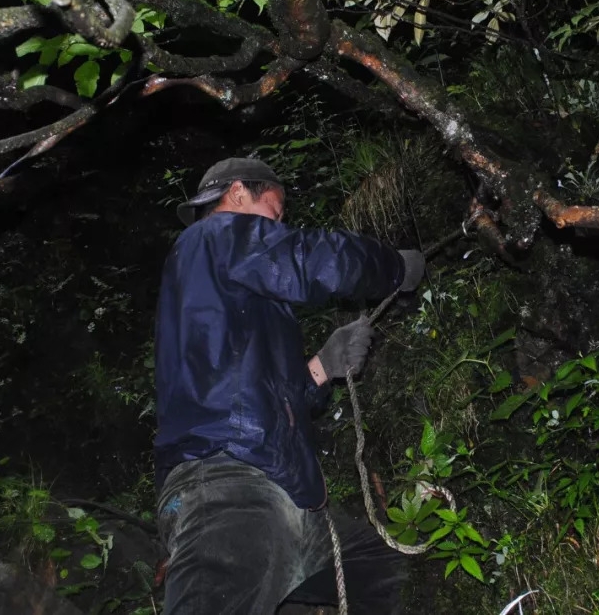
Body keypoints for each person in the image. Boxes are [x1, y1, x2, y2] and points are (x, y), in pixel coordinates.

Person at [153, 157, 425, 614]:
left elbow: (263, 391)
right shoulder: (216, 235)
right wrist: (393, 267)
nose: (280, 226)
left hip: (285, 498)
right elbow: (310, 259)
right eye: (276, 213)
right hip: (227, 487)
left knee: (388, 574)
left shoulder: (231, 294)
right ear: (238, 194)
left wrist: (323, 365)